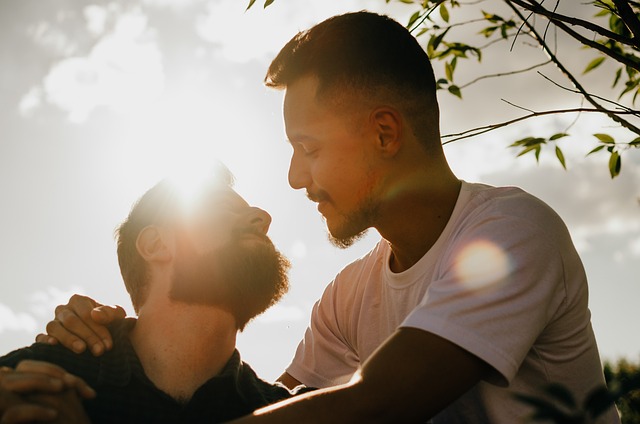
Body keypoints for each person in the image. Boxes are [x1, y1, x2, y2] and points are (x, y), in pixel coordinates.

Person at [36, 11, 619, 423]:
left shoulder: (513, 233)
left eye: (309, 148)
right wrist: (116, 341)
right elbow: (277, 409)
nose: (294, 177)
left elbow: (376, 405)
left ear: (384, 132)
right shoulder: (349, 296)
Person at [0, 167, 307, 423]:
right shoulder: (36, 377)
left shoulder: (291, 413)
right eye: (225, 208)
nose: (263, 217)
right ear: (156, 245)